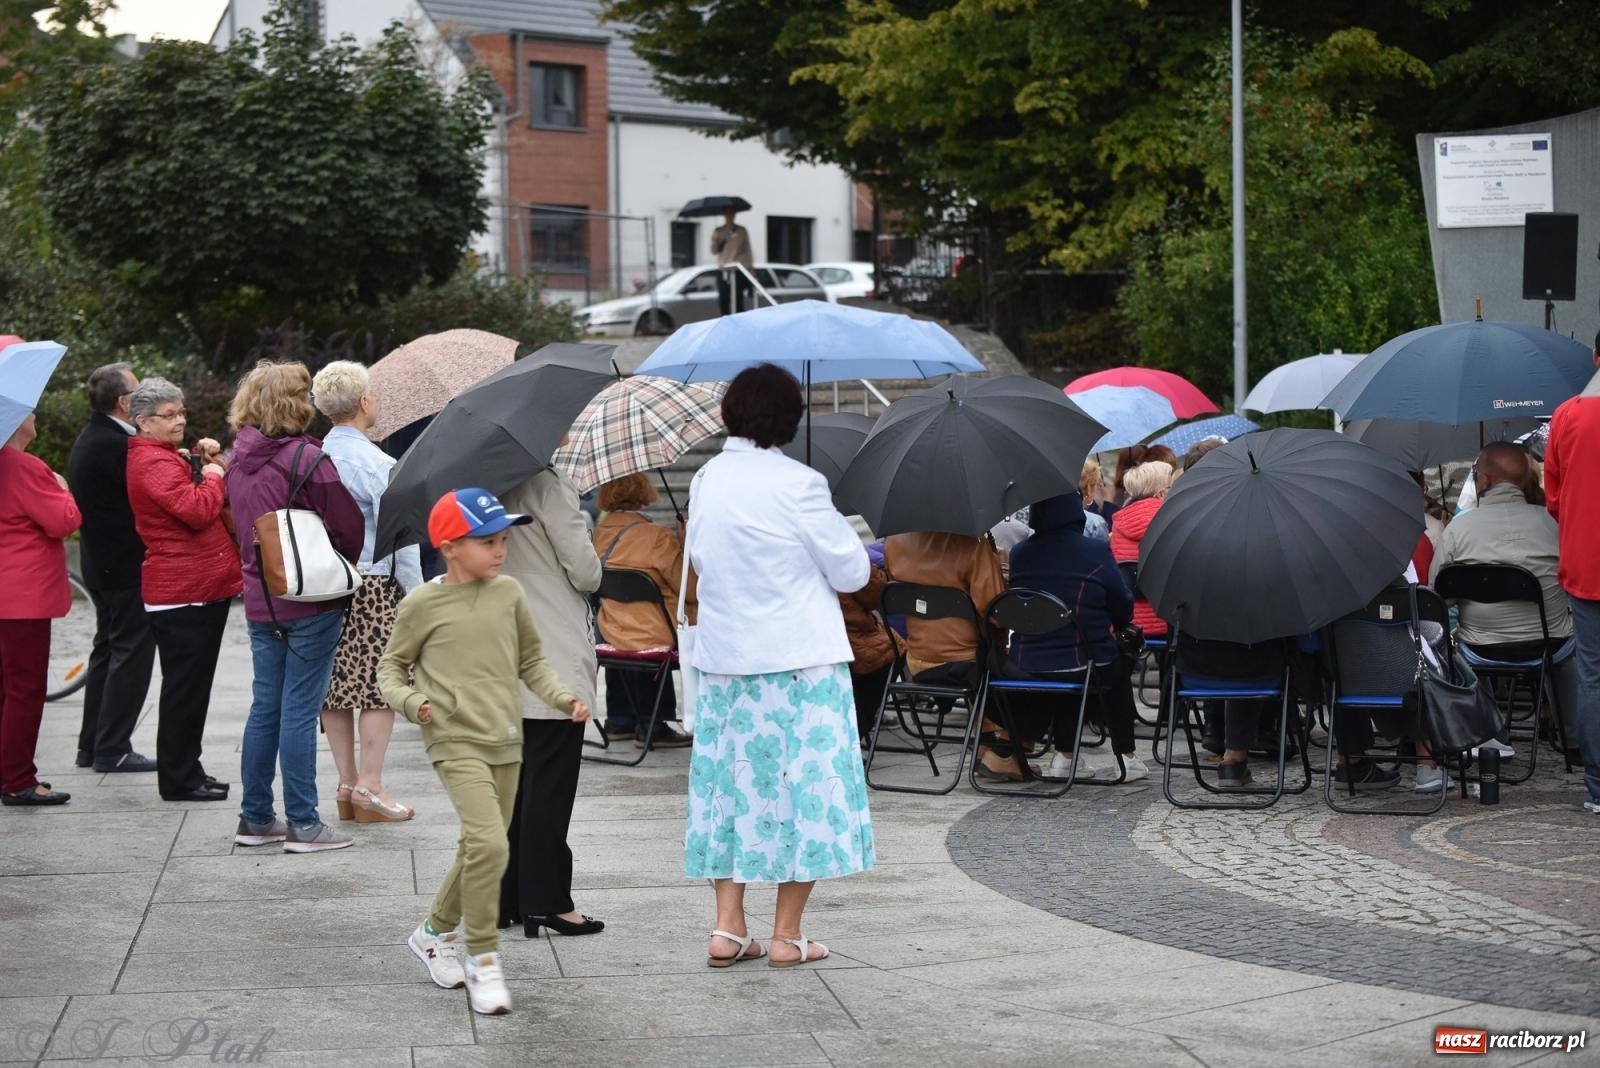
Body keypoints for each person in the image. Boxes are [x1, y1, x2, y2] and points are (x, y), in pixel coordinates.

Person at [685, 363, 873, 969]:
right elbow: (852, 573)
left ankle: (727, 927)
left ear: (730, 415)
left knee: (730, 789)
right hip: (798, 663)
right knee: (804, 790)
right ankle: (787, 935)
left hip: (726, 662)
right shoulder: (801, 484)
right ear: (791, 419)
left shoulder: (707, 478)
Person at [379, 488, 589, 1016]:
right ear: (448, 547)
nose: (500, 550)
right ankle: (482, 961)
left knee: (479, 847)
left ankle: (431, 932)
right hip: (454, 739)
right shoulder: (422, 603)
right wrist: (412, 700)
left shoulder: (510, 593)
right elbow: (389, 670)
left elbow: (533, 662)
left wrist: (561, 696)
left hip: (505, 738)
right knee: (491, 845)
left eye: (501, 540)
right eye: (487, 542)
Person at [225, 361, 364, 852]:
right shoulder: (308, 459)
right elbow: (347, 526)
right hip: (309, 601)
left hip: (261, 600)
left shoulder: (236, 460)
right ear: (297, 403)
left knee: (265, 707)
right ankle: (304, 823)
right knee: (300, 711)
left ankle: (256, 818)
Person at [311, 361, 424, 823]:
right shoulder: (378, 463)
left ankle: (345, 782)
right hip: (374, 584)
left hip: (323, 583)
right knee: (381, 686)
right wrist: (416, 596)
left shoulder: (314, 455)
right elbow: (402, 538)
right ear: (363, 402)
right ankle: (370, 786)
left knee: (335, 686)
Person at [498, 460, 604, 938]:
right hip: (550, 646)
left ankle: (505, 896)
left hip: (499, 643)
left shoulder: (481, 479)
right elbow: (584, 572)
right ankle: (547, 900)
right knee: (550, 783)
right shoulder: (547, 481)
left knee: (512, 783)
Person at [126, 378, 242, 803]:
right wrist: (212, 474)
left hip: (194, 587)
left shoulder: (161, 456)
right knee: (183, 691)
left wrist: (196, 459)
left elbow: (184, 495)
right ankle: (178, 779)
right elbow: (195, 511)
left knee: (192, 689)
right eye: (168, 415)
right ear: (142, 422)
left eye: (181, 412)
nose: (179, 420)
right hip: (182, 590)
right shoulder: (150, 463)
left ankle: (189, 770)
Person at [1006, 493, 1146, 782]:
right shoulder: (1094, 551)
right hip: (1083, 661)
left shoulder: (1020, 553)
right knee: (1113, 665)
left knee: (1073, 663)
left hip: (1026, 661)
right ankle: (1126, 757)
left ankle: (1066, 757)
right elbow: (1121, 607)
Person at [67, 362, 157, 773]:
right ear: (124, 402)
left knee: (107, 650)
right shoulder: (115, 444)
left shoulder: (96, 436)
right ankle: (112, 747)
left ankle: (94, 744)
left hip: (101, 563)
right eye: (137, 392)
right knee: (130, 652)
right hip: (121, 566)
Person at [0, 410, 81, 806]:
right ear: (15, 420)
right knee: (25, 687)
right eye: (29, 412)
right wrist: (62, 487)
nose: (35, 416)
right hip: (21, 594)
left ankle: (8, 771)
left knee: (7, 685)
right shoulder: (23, 466)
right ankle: (18, 778)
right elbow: (63, 521)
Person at [883, 526, 1011, 777]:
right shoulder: (973, 545)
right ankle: (1003, 749)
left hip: (918, 659)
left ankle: (988, 741)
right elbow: (996, 612)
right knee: (1007, 665)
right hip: (967, 662)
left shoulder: (894, 543)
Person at [590, 473, 693, 748]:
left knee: (627, 628)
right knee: (651, 630)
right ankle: (652, 724)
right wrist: (684, 545)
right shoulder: (655, 536)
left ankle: (620, 720)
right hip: (655, 636)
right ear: (643, 493)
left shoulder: (598, 535)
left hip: (611, 632)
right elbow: (690, 588)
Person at [1541, 338, 1600, 814]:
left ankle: (1599, 786)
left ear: (1596, 358)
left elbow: (1555, 498)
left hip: (1586, 564)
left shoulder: (1567, 415)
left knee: (1593, 678)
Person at [841, 542, 902, 741]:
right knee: (891, 649)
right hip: (850, 641)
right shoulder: (835, 545)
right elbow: (875, 594)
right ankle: (857, 728)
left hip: (810, 639)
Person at [1109, 461, 1174, 642]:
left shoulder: (1119, 524)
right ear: (1161, 492)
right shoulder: (1171, 521)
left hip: (1129, 622)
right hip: (1168, 621)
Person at [711, 209, 755, 316]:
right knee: (723, 299)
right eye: (727, 213)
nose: (730, 215)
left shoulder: (741, 230)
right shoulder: (718, 231)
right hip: (723, 269)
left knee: (737, 299)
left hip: (737, 269)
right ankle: (725, 321)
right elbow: (714, 250)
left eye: (732, 213)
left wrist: (750, 268)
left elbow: (746, 249)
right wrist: (715, 239)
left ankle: (739, 322)